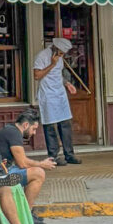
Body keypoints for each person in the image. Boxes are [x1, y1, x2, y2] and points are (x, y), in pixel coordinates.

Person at [0, 108, 56, 224]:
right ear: (26, 124)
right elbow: (22, 163)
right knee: (38, 173)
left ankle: (26, 212)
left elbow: (20, 163)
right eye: (34, 129)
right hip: (0, 174)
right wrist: (41, 164)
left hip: (3, 170)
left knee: (35, 171)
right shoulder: (14, 133)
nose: (34, 133)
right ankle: (26, 214)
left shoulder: (11, 130)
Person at [32, 37, 79, 166]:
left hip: (60, 93)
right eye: (61, 52)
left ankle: (69, 154)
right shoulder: (42, 56)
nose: (62, 55)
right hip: (47, 94)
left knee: (65, 124)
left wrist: (67, 83)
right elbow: (36, 76)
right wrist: (52, 64)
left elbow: (58, 74)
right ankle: (53, 156)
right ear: (54, 48)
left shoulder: (60, 58)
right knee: (50, 126)